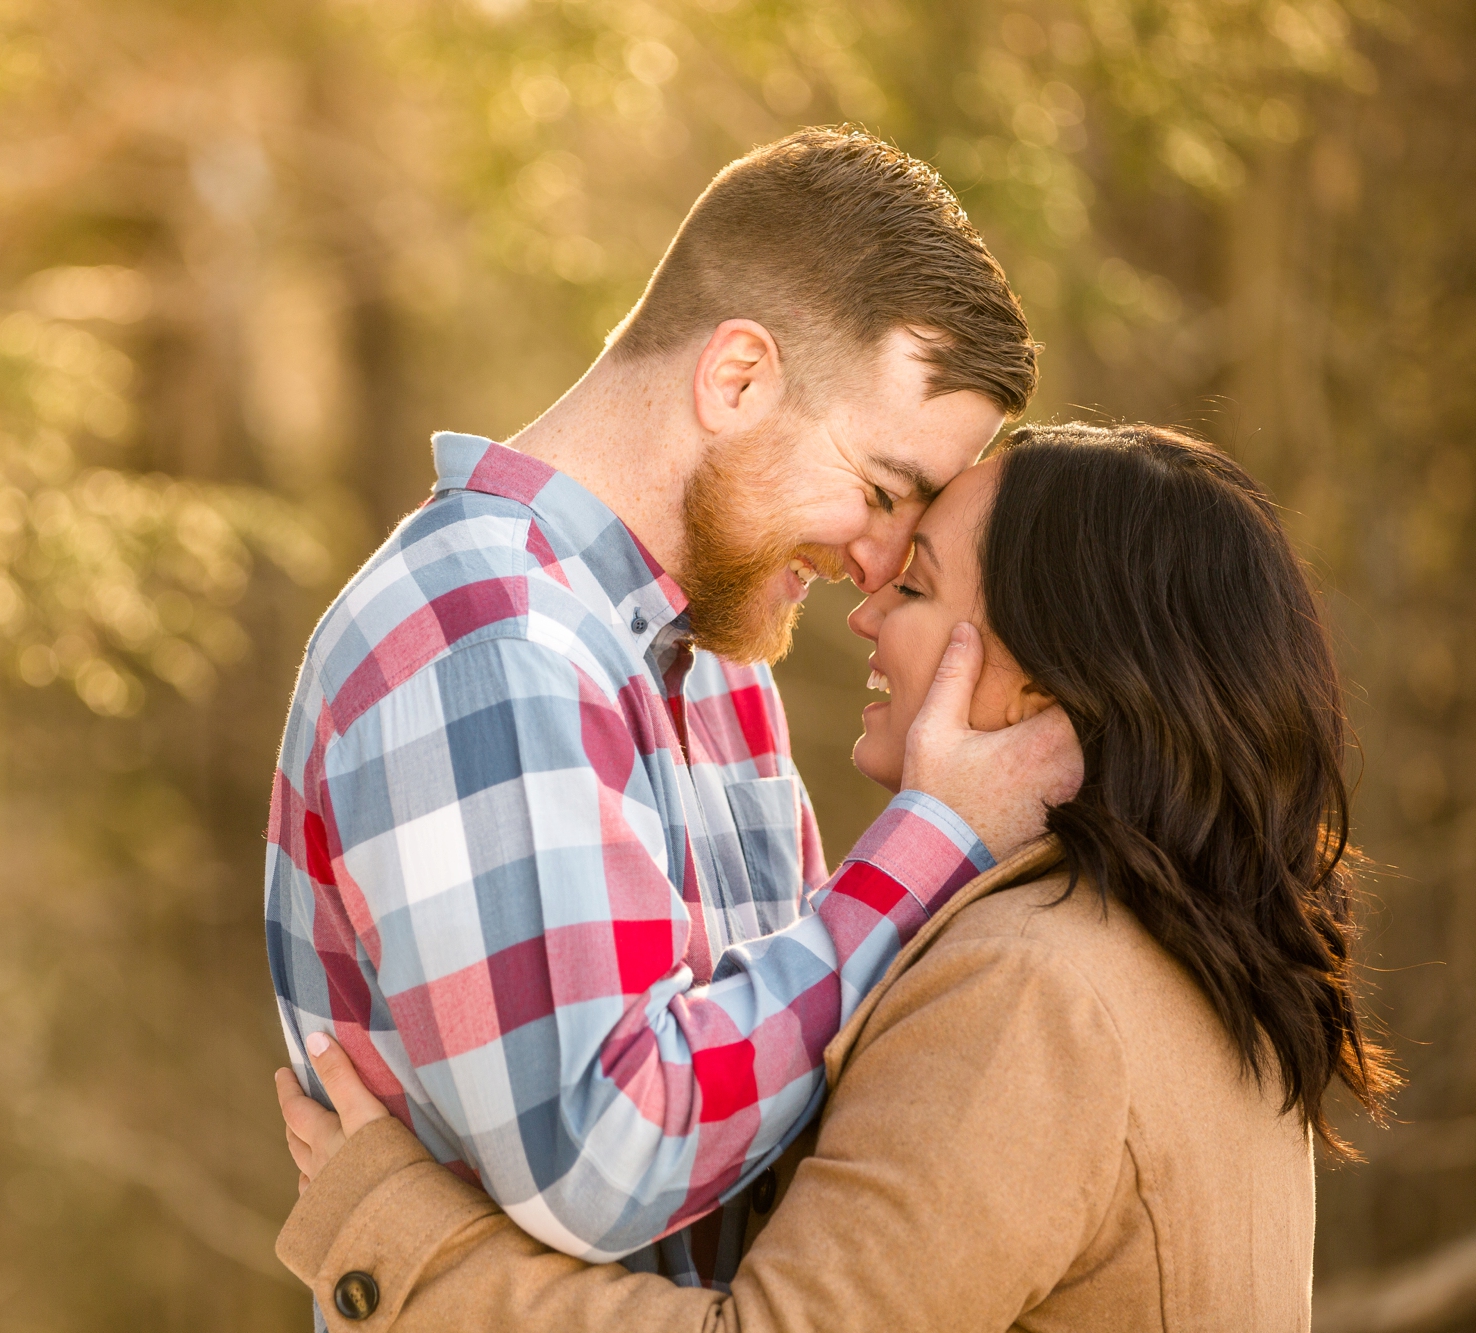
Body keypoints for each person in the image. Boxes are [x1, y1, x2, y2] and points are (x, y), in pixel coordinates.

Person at [274, 423, 1400, 1331]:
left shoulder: (1028, 995)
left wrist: (395, 1236)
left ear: (1043, 684)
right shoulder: (1157, 952)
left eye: (913, 592)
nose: (860, 612)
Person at [263, 126, 1082, 1297]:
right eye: (879, 489)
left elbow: (786, 1096)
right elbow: (613, 1153)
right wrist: (933, 846)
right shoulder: (487, 641)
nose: (881, 558)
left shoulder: (713, 666)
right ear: (736, 375)